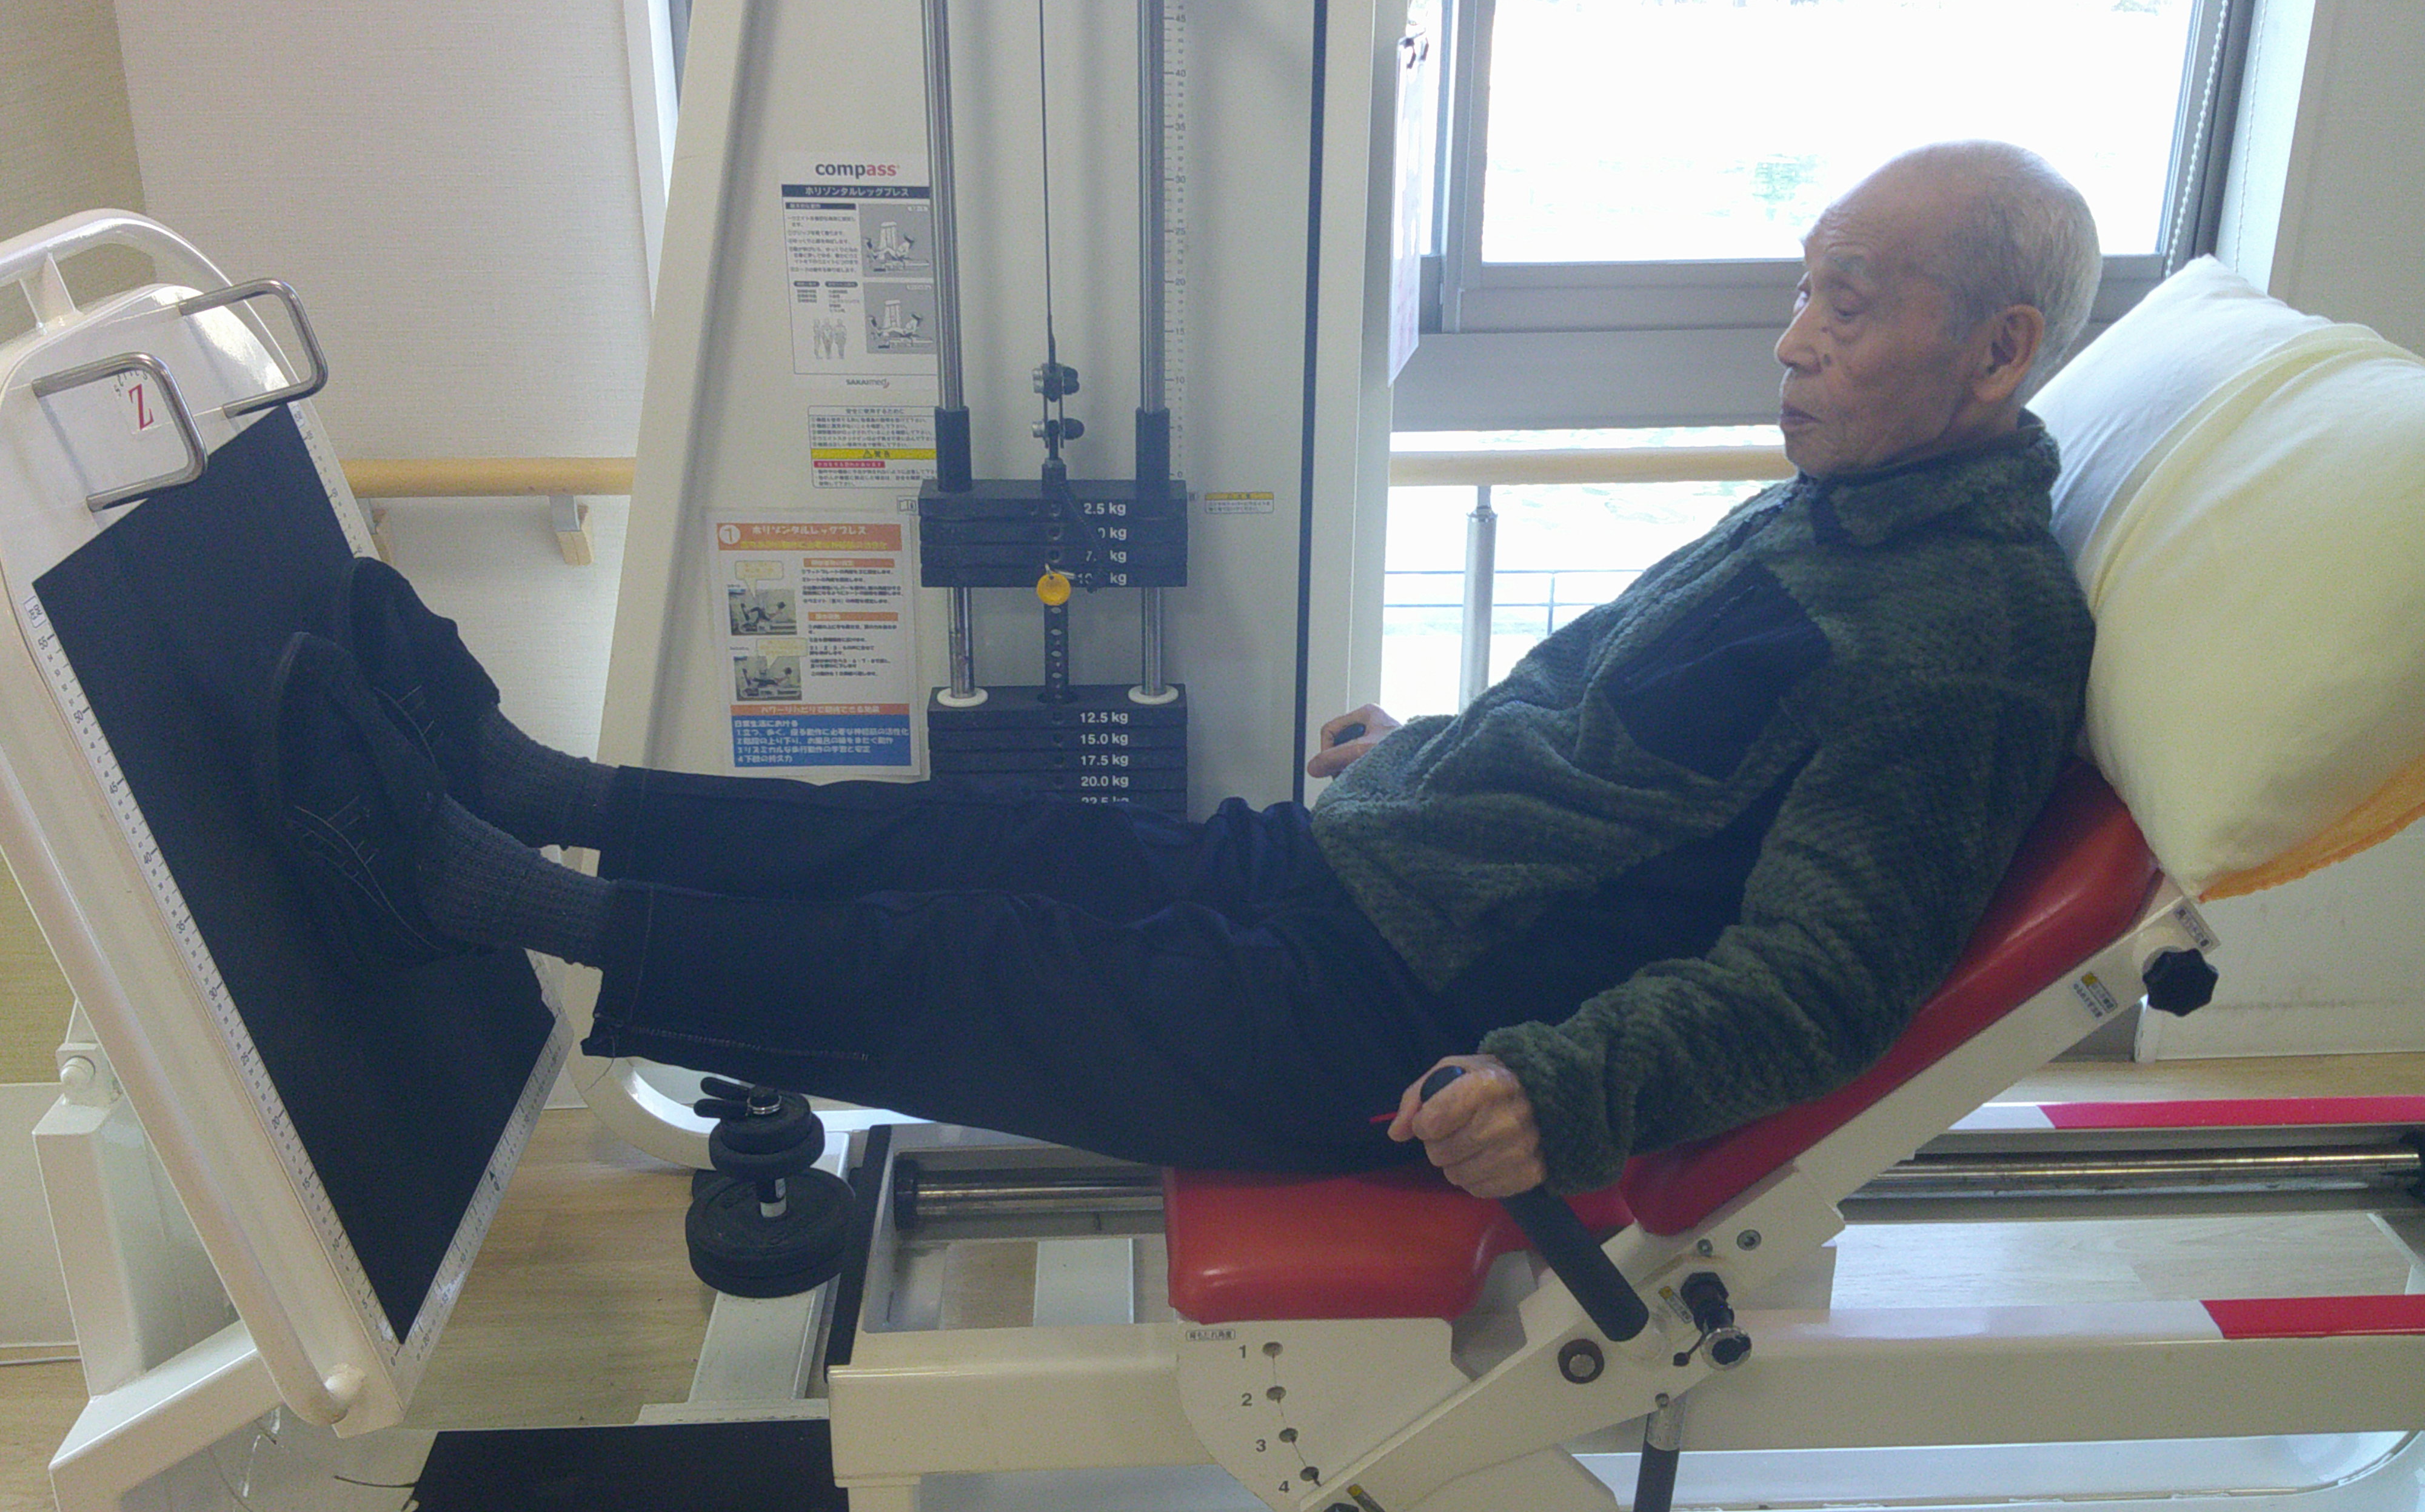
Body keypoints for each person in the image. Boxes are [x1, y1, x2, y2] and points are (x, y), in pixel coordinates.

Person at [265, 140, 2099, 1202]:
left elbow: (1824, 979)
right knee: (959, 829)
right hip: (1352, 881)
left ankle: (477, 898)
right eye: (1803, 287)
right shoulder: (1845, 518)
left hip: (1394, 1030)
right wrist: (1431, 754)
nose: (1792, 341)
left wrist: (1568, 1086)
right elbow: (1644, 760)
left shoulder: (1968, 636)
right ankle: (539, 792)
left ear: (1998, 350)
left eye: (1849, 302)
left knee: (957, 959)